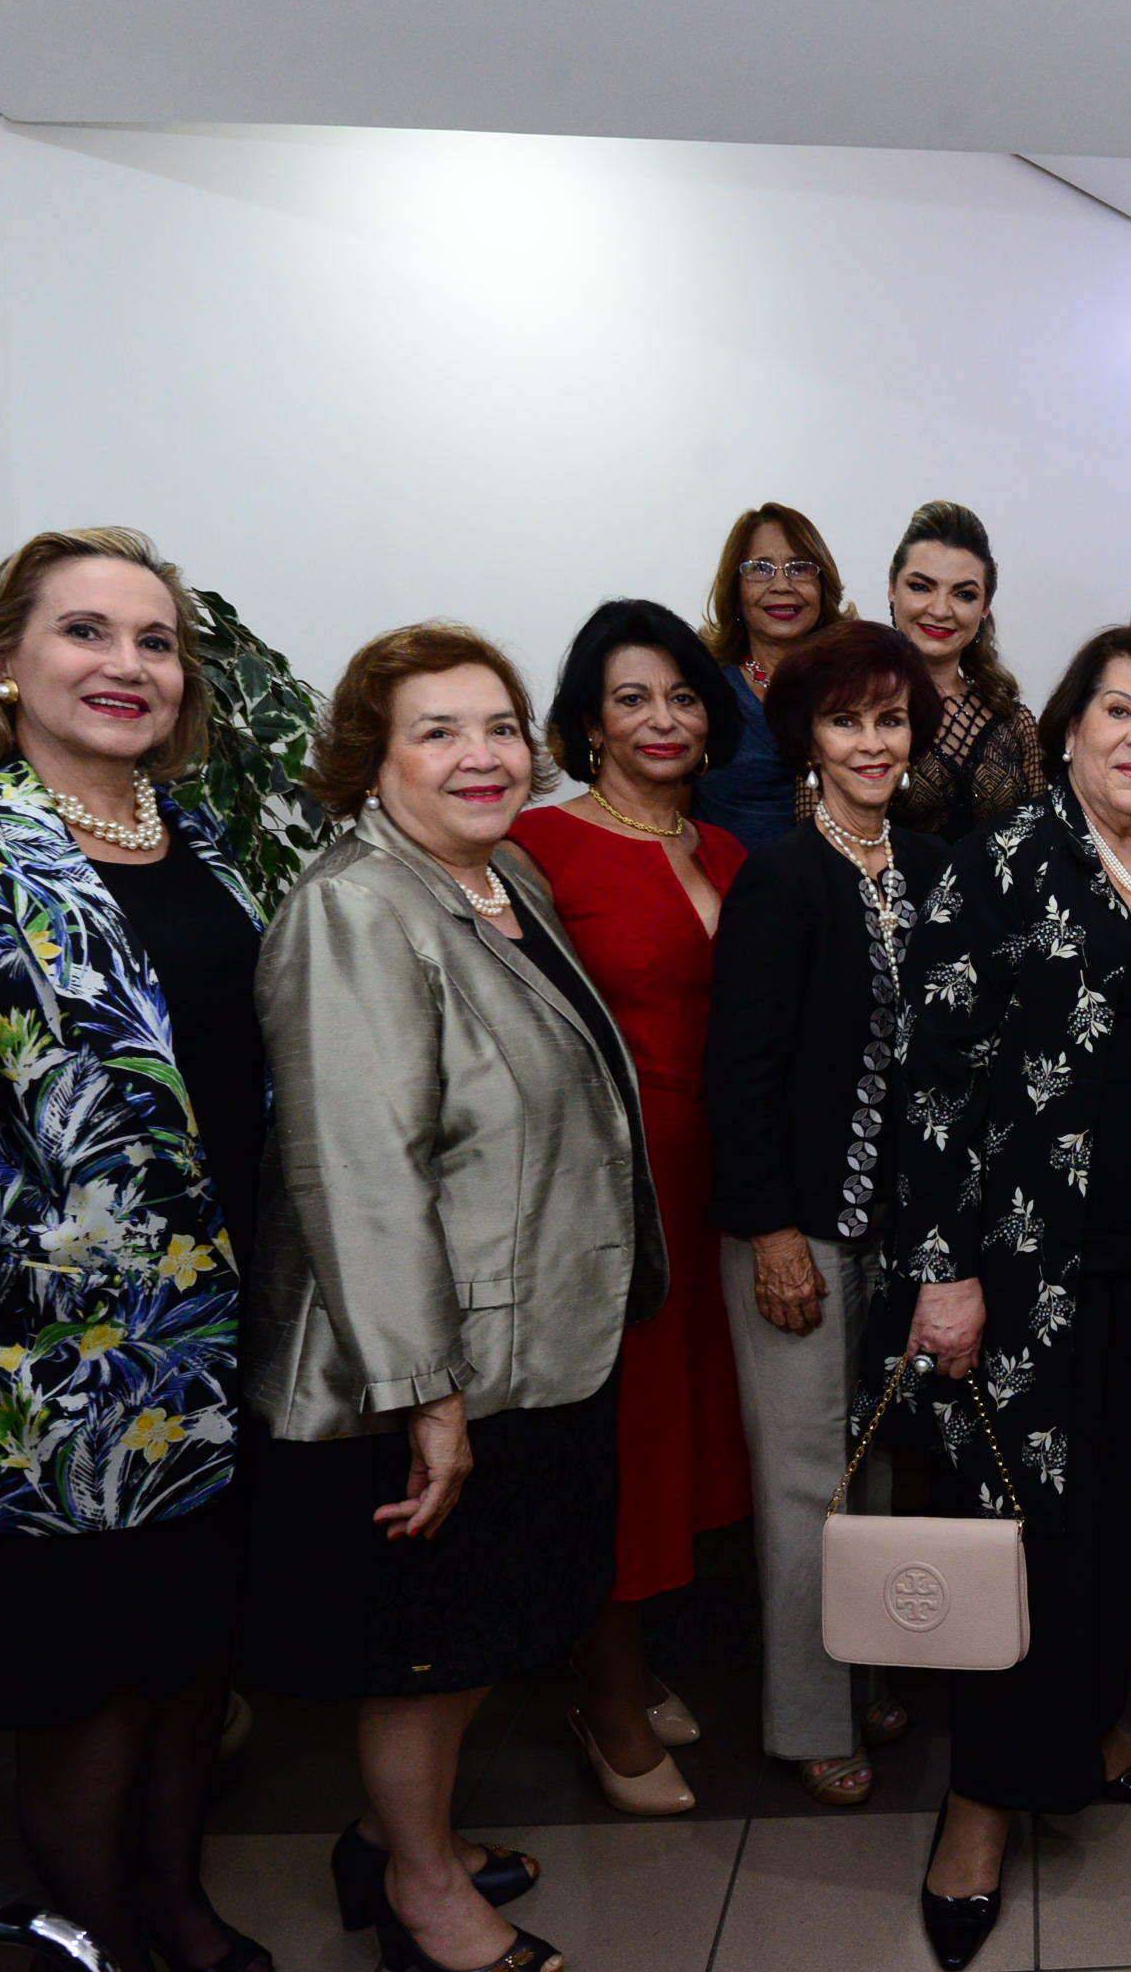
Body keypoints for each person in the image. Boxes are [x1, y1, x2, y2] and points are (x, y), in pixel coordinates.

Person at [0, 528, 273, 1972]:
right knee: (91, 1700)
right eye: (86, 631)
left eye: (156, 640)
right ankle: (112, 1947)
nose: (127, 665)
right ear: (4, 664)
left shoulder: (200, 842)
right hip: (51, 1382)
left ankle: (182, 1910)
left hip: (220, 1355)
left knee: (194, 1664)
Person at [241, 623, 667, 1972]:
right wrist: (425, 1397)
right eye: (437, 731)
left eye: (498, 727)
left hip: (533, 1338)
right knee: (425, 1651)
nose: (482, 756)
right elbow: (359, 1171)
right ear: (371, 759)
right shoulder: (357, 908)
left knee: (485, 1626)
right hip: (438, 1364)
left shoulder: (500, 874)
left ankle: (393, 1836)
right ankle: (421, 1893)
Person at [887, 624, 1131, 1970]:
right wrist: (942, 1272)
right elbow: (932, 1082)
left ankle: (1089, 1732)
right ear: (1068, 726)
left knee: (1126, 1515)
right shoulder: (1002, 866)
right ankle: (978, 1810)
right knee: (1025, 1535)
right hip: (1036, 1271)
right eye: (1119, 710)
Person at [506, 600, 754, 1815]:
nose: (663, 718)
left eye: (683, 695)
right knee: (623, 1441)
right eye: (632, 698)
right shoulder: (535, 846)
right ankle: (603, 1694)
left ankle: (628, 1658)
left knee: (685, 1434)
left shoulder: (730, 852)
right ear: (588, 724)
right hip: (610, 1186)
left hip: (720, 1181)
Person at [704, 622, 951, 1808]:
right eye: (845, 720)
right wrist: (772, 1236)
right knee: (807, 1481)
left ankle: (869, 1669)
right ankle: (809, 1716)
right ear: (806, 737)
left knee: (876, 1463)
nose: (870, 742)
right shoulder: (779, 876)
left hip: (899, 1237)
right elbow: (738, 1073)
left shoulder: (934, 867)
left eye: (889, 719)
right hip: (793, 1232)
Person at [693, 502, 852, 850]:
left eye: (800, 568)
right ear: (735, 589)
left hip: (846, 879)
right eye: (760, 569)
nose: (782, 584)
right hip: (728, 881)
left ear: (823, 585)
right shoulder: (704, 691)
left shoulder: (858, 687)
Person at [882, 499, 1044, 837]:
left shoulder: (1014, 723)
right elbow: (816, 841)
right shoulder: (847, 709)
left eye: (964, 594)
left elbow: (1042, 847)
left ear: (985, 607)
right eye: (921, 587)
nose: (941, 610)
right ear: (893, 589)